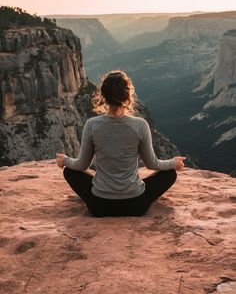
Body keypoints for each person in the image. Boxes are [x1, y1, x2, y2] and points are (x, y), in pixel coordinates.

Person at [56, 70, 186, 217]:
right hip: (136, 205)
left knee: (69, 171)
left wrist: (64, 160)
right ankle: (130, 189)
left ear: (103, 96)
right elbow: (152, 164)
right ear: (128, 95)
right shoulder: (140, 125)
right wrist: (173, 163)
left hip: (99, 206)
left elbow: (81, 165)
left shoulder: (92, 125)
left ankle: (105, 191)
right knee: (169, 174)